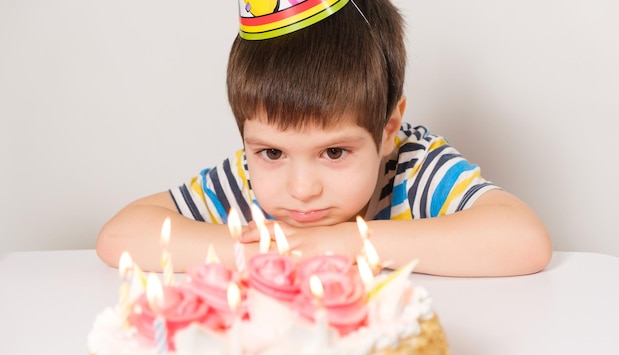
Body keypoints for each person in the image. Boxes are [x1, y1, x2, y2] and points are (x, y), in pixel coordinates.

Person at [96, 0, 552, 277]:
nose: (301, 188)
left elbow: (524, 240)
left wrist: (348, 243)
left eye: (334, 152)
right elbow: (120, 235)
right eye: (272, 151)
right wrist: (256, 254)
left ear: (388, 128)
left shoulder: (413, 169)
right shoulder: (248, 180)